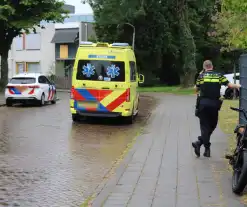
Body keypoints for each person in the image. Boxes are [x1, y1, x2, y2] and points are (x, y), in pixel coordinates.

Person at [192, 60, 241, 157]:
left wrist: (201, 77)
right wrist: (238, 86)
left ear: (204, 67)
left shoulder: (201, 76)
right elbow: (230, 85)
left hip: (203, 104)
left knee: (205, 127)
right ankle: (204, 148)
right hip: (214, 104)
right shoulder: (218, 75)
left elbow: (195, 89)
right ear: (212, 66)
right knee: (213, 125)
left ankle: (201, 144)